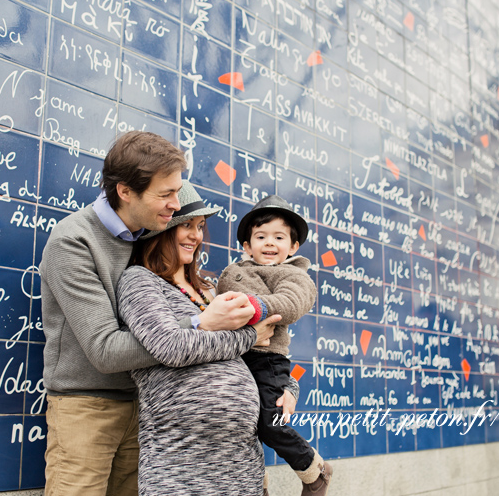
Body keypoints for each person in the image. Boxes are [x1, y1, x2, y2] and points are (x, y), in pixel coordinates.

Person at [39, 131, 264, 496]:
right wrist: (201, 324)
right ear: (125, 191)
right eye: (166, 194)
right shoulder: (74, 241)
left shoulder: (144, 234)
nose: (177, 205)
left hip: (146, 407)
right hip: (87, 404)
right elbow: (105, 350)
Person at [116, 181, 295, 495]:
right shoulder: (140, 281)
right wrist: (249, 336)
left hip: (243, 468)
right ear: (161, 228)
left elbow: (269, 345)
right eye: (185, 225)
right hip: (182, 470)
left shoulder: (212, 290)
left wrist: (288, 386)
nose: (196, 235)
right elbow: (170, 346)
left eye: (199, 226)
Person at [217, 195, 333, 496]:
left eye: (279, 237)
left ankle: (314, 470)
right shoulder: (232, 273)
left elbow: (292, 303)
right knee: (242, 426)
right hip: (234, 359)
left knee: (271, 423)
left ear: (293, 247)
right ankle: (259, 488)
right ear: (246, 245)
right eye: (261, 236)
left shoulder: (295, 274)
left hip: (269, 361)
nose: (270, 243)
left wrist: (249, 307)